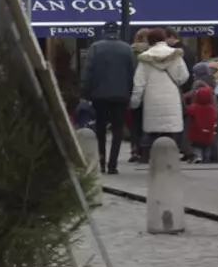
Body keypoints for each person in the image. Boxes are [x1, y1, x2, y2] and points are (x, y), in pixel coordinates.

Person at [80, 22, 135, 174]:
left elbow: (87, 73)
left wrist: (86, 93)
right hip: (121, 96)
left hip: (99, 96)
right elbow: (132, 74)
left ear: (104, 31)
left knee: (100, 129)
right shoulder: (127, 49)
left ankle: (102, 161)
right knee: (117, 130)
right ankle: (112, 164)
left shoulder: (95, 48)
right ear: (117, 32)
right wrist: (130, 93)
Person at [130, 28, 189, 157]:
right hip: (171, 98)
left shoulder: (145, 59)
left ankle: (154, 158)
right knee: (170, 132)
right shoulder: (176, 55)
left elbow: (139, 83)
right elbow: (183, 76)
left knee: (153, 133)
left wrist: (134, 102)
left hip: (152, 99)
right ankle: (171, 158)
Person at [185, 85, 217, 164]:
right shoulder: (211, 109)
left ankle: (197, 157)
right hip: (208, 135)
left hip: (196, 134)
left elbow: (186, 110)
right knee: (207, 147)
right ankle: (207, 158)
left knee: (196, 146)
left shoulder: (194, 107)